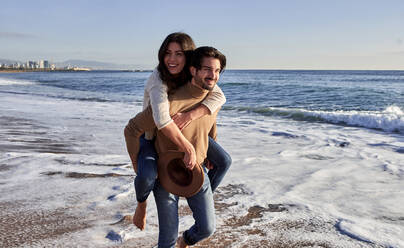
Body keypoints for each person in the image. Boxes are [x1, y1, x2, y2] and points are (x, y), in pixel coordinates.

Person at [125, 32, 231, 231]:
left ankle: (196, 194)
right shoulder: (159, 81)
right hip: (150, 134)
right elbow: (163, 120)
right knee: (146, 176)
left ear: (189, 60)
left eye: (179, 54)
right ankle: (141, 204)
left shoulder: (197, 76)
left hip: (187, 134)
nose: (172, 59)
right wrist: (136, 164)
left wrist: (193, 119)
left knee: (224, 161)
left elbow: (218, 100)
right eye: (168, 53)